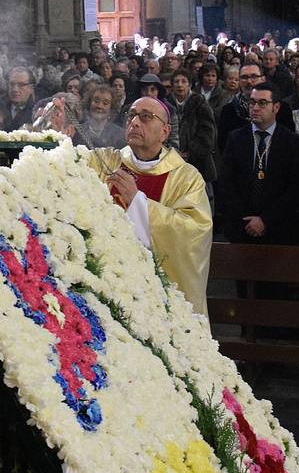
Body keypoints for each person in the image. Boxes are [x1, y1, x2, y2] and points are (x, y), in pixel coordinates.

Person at [87, 98, 213, 315]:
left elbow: (194, 231)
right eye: (131, 115)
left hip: (155, 293)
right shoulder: (103, 162)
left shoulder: (185, 177)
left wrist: (137, 201)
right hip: (105, 280)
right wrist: (58, 130)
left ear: (165, 132)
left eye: (146, 117)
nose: (135, 122)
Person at [215, 84, 299, 244]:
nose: (255, 108)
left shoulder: (291, 141)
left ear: (276, 107)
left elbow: (296, 187)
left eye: (262, 103)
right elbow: (226, 183)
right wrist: (247, 219)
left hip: (279, 227)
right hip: (241, 225)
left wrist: (265, 220)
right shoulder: (236, 138)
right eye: (252, 102)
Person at [167, 71, 218, 183]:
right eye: (176, 82)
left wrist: (190, 152)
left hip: (199, 162)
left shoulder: (200, 103)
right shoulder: (166, 105)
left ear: (189, 85)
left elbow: (207, 133)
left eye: (184, 81)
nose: (180, 85)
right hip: (171, 161)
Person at [77, 84, 126, 149]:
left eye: (105, 103)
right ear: (89, 103)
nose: (99, 106)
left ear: (111, 108)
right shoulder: (77, 131)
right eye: (96, 101)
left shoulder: (121, 135)